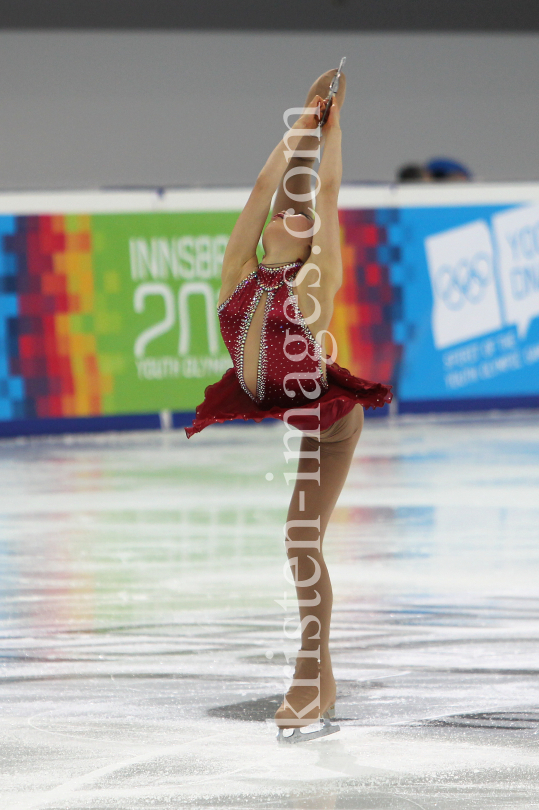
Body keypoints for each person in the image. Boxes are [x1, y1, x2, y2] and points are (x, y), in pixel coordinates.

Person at [185, 69, 392, 742]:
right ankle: (319, 679)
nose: (290, 209)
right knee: (298, 543)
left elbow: (325, 190)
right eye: (285, 208)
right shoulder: (238, 276)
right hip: (270, 394)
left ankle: (312, 676)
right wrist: (296, 132)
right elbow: (260, 192)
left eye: (301, 218)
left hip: (326, 417)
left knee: (301, 541)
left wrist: (332, 127)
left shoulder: (314, 281)